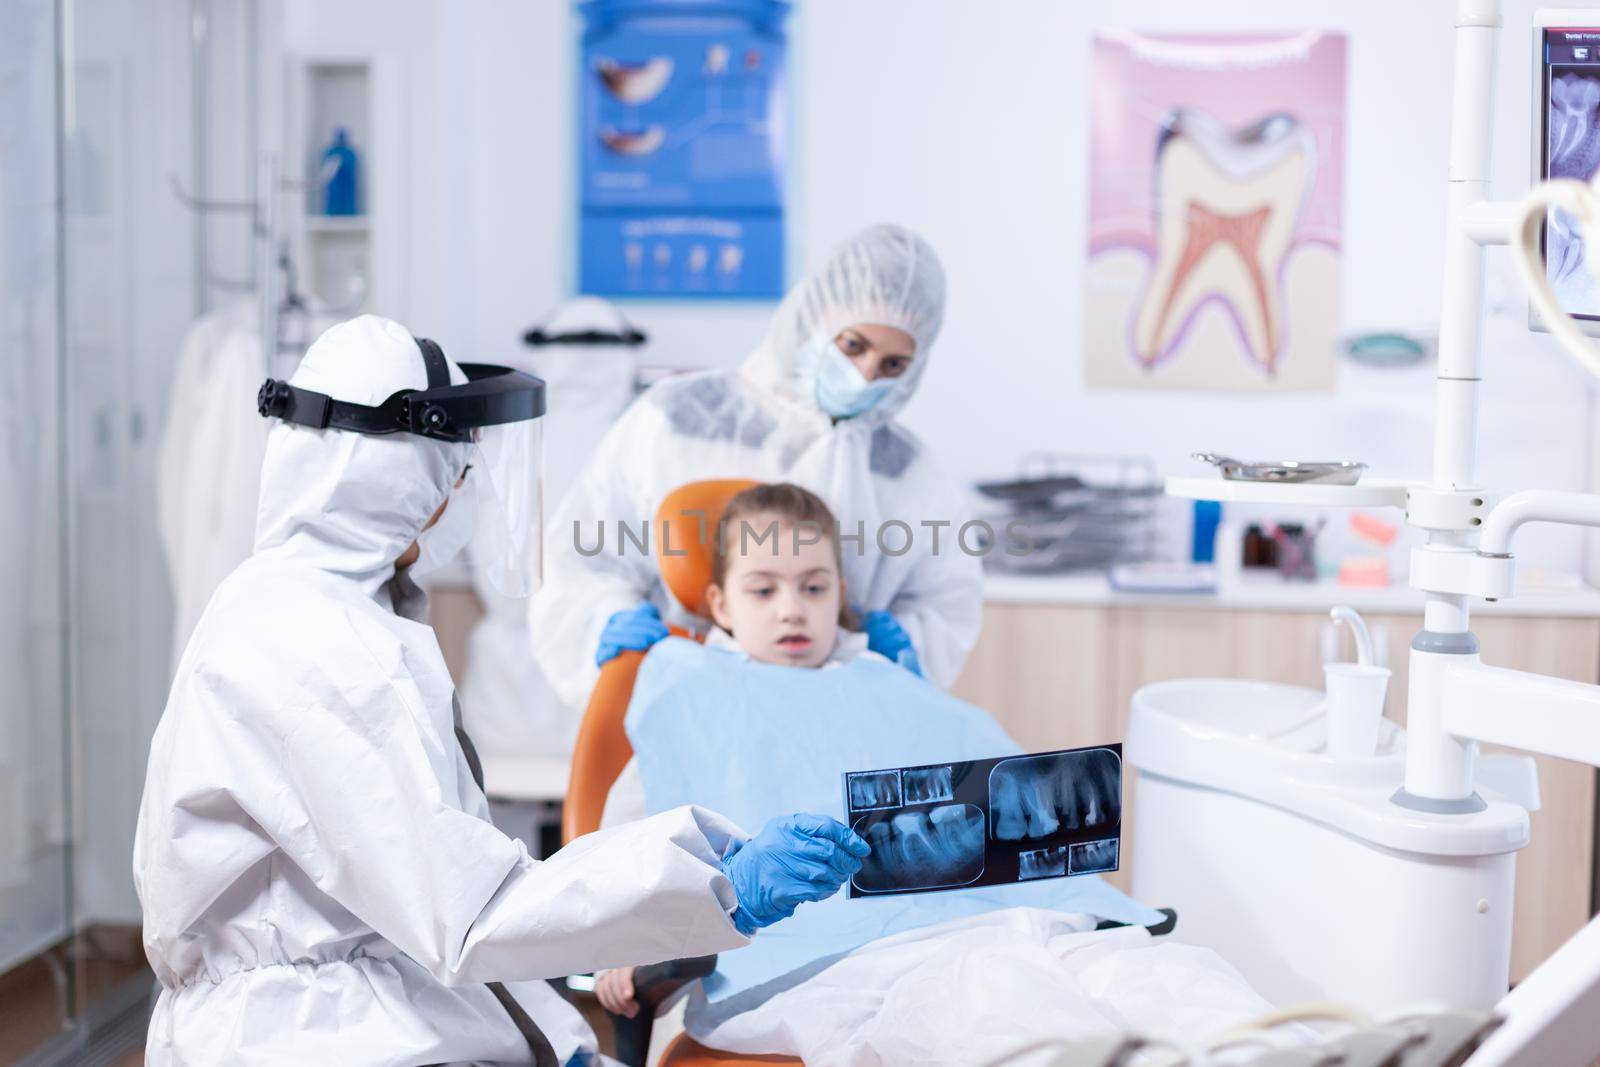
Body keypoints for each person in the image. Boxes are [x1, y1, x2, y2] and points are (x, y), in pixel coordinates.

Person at [132, 316, 868, 1066]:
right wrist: (722, 882)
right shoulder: (324, 651)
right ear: (400, 479)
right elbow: (474, 913)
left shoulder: (312, 608)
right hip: (316, 1038)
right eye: (460, 472)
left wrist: (561, 1035)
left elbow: (431, 922)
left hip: (367, 1013)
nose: (465, 494)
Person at [531, 223, 983, 713]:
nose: (865, 376)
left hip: (836, 725)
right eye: (852, 346)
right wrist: (606, 624)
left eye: (893, 365)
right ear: (813, 315)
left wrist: (900, 651)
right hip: (684, 715)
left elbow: (946, 605)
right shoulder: (677, 421)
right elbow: (576, 561)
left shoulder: (909, 473)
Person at [594, 481, 878, 1020]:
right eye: (763, 591)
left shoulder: (880, 685)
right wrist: (624, 943)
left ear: (840, 594)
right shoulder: (693, 699)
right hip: (753, 955)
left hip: (893, 933)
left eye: (814, 589)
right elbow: (625, 841)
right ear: (721, 605)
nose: (792, 611)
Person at [456, 295, 643, 762]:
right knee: (608, 824)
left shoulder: (499, 441)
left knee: (502, 821)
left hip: (517, 679)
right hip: (600, 663)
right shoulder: (643, 445)